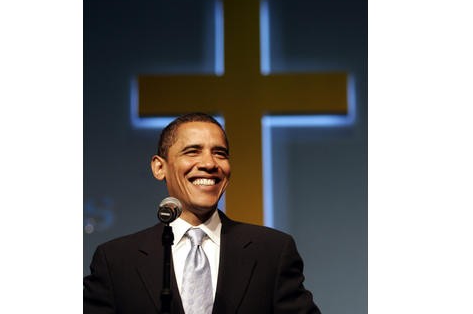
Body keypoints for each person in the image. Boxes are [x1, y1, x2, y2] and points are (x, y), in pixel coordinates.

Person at [84, 112, 321, 314]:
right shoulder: (116, 260)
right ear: (159, 167)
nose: (210, 163)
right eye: (192, 151)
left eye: (220, 153)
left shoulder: (272, 251)